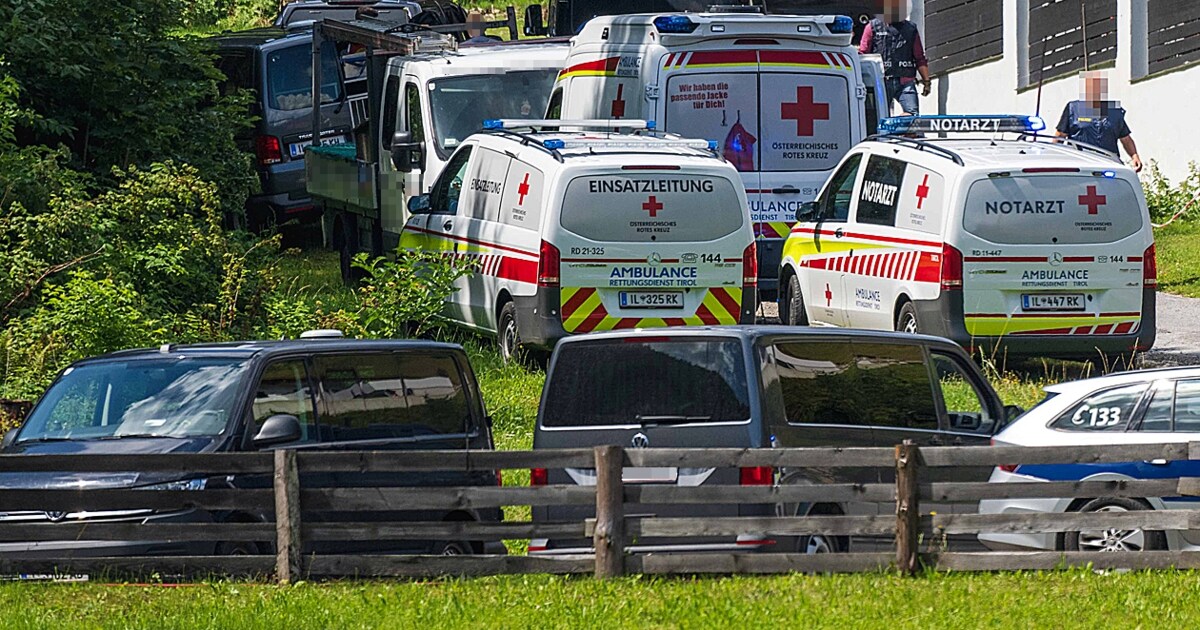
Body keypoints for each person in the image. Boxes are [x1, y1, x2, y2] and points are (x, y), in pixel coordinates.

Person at [1056, 71, 1143, 173]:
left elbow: (1126, 139)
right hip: (1080, 166)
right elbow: (1059, 136)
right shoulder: (1073, 109)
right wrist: (1053, 160)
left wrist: (1134, 156)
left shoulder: (1114, 112)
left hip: (1109, 166)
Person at [858, 0, 931, 115]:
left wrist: (927, 81)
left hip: (905, 81)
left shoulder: (910, 28)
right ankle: (891, 130)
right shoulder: (872, 27)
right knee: (878, 118)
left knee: (912, 116)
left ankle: (900, 129)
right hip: (880, 81)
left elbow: (919, 57)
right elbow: (863, 55)